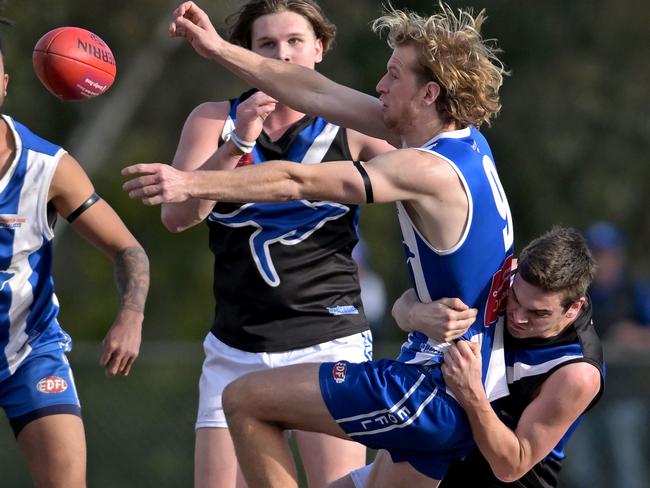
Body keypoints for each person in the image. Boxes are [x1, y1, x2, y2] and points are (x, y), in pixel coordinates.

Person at [123, 2, 514, 486]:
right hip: (464, 379)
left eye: (393, 75)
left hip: (434, 385)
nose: (380, 86)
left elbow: (297, 180)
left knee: (243, 401)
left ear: (429, 93)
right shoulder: (464, 140)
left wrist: (191, 184)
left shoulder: (426, 169)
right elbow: (312, 89)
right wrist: (218, 48)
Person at [158, 1, 393, 487]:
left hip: (327, 342)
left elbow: (431, 179)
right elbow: (177, 216)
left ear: (319, 49)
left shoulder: (353, 126)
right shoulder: (213, 119)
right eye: (266, 44)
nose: (282, 55)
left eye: (294, 42)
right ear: (245, 53)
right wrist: (237, 145)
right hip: (236, 346)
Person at [0, 40, 149, 487]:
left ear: (4, 85)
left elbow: (129, 249)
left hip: (29, 349)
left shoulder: (48, 166)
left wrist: (131, 314)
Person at [390, 227, 604, 488]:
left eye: (539, 314)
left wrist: (471, 392)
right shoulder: (502, 274)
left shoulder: (577, 371)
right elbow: (401, 307)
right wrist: (417, 315)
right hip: (438, 457)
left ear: (574, 308)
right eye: (514, 298)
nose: (518, 316)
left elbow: (511, 465)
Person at [563, 221, 650, 488]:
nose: (603, 261)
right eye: (596, 255)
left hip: (624, 398)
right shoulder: (574, 294)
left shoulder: (634, 292)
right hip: (580, 402)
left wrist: (633, 336)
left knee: (626, 469)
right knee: (580, 473)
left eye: (608, 254)